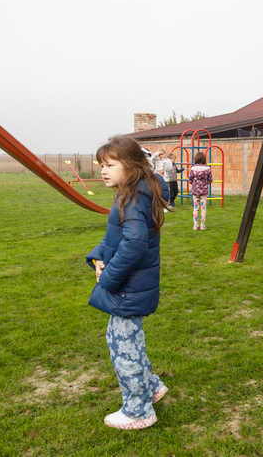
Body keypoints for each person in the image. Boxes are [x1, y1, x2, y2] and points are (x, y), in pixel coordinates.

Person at [86, 135, 170, 430]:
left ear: (131, 166)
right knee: (123, 339)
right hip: (130, 287)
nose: (103, 170)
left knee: (124, 348)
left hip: (128, 289)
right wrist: (99, 256)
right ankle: (152, 386)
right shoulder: (133, 193)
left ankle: (138, 411)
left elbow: (134, 244)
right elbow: (117, 236)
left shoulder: (133, 199)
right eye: (101, 165)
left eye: (110, 165)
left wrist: (108, 278)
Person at [188, 151, 213, 230]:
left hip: (195, 191)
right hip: (204, 191)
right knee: (203, 208)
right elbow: (210, 179)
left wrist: (194, 184)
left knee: (196, 208)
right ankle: (202, 225)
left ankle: (195, 225)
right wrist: (205, 183)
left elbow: (190, 179)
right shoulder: (208, 168)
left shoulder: (193, 168)